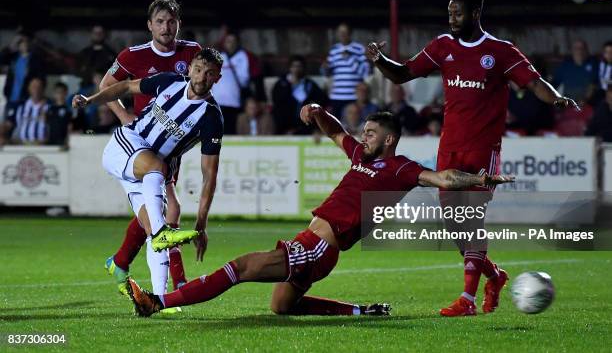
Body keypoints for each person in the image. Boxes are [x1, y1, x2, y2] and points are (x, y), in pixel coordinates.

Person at [126, 105, 513, 317]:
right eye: (365, 131)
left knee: (241, 267)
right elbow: (335, 132)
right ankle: (360, 311)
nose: (364, 137)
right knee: (281, 307)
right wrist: (316, 110)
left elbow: (443, 178)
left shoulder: (401, 168)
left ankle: (159, 303)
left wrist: (479, 178)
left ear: (390, 139)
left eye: (372, 133)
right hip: (312, 244)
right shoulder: (361, 154)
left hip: (318, 247)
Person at [366, 0, 578, 316]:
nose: (452, 17)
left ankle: (467, 299)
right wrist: (380, 60)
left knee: (471, 220)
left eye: (458, 12)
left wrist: (557, 99)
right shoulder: (442, 46)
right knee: (455, 224)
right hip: (449, 150)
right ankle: (494, 276)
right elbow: (404, 74)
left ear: (475, 14)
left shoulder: (501, 51)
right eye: (449, 12)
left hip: (483, 150)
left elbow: (534, 83)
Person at [73, 48, 224, 305]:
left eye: (209, 74)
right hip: (126, 145)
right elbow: (125, 88)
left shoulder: (211, 117)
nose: (201, 78)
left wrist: (202, 223)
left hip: (149, 174)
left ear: (217, 79)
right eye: (198, 70)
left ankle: (159, 300)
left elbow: (209, 175)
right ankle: (161, 234)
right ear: (189, 69)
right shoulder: (169, 82)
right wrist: (91, 100)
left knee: (152, 229)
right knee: (158, 173)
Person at [99, 0, 202, 303]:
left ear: (179, 24)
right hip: (144, 143)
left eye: (171, 21)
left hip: (172, 144)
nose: (166, 27)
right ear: (150, 25)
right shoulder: (134, 55)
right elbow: (107, 84)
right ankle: (178, 284)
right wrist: (125, 116)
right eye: (160, 22)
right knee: (170, 209)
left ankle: (119, 263)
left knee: (158, 210)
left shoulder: (192, 52)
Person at [323, 23, 370, 118]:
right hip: (336, 96)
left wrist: (349, 59)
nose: (342, 35)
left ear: (350, 33)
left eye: (345, 32)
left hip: (353, 97)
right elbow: (327, 74)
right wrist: (325, 68)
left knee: (353, 128)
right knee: (337, 128)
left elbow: (364, 72)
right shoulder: (334, 50)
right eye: (340, 32)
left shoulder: (359, 48)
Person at [272, 55, 328, 135]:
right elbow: (277, 102)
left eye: (299, 66)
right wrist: (290, 86)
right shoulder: (281, 84)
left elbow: (321, 100)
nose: (296, 69)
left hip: (305, 126)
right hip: (284, 126)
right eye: (294, 66)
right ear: (289, 68)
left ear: (303, 68)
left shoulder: (309, 84)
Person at [213, 30, 252, 135]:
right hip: (216, 103)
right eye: (228, 41)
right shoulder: (218, 56)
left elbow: (244, 80)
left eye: (233, 41)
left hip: (233, 103)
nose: (230, 43)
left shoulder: (242, 56)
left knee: (230, 132)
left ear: (237, 43)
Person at [552, 39, 598, 104]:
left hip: (589, 103)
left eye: (582, 48)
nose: (579, 51)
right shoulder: (565, 66)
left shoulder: (594, 64)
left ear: (587, 50)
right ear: (572, 50)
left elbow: (594, 84)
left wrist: (585, 99)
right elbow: (554, 84)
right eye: (576, 48)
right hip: (568, 103)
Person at [10, 77, 49, 145]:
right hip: (22, 146)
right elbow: (18, 127)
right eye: (33, 86)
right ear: (29, 88)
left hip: (43, 147)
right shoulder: (21, 108)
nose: (36, 89)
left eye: (39, 87)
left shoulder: (49, 107)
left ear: (43, 89)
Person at [46, 82, 73, 146]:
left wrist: (67, 140)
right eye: (57, 92)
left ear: (66, 93)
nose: (60, 95)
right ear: (54, 94)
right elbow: (47, 125)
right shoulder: (50, 109)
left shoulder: (68, 110)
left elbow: (70, 127)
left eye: (62, 92)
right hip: (50, 141)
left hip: (62, 141)